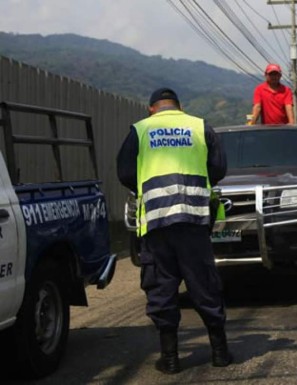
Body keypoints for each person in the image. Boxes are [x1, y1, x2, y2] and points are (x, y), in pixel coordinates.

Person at [117, 87, 232, 374]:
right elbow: (218, 168)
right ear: (180, 108)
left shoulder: (140, 130)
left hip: (156, 223)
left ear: (151, 108)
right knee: (204, 283)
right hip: (193, 221)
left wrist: (148, 187)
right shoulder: (199, 126)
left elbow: (125, 173)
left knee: (161, 286)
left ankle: (170, 358)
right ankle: (220, 352)